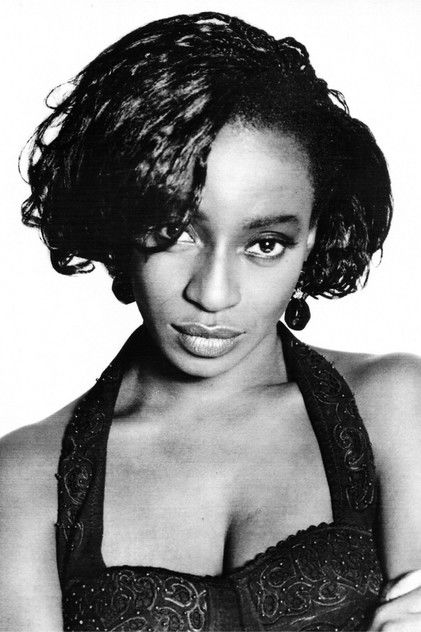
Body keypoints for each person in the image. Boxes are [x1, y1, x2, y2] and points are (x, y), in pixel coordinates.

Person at [1, 10, 420, 632]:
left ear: (312, 237)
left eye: (265, 244)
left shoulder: (395, 407)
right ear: (117, 223)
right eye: (177, 232)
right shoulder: (25, 478)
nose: (213, 293)